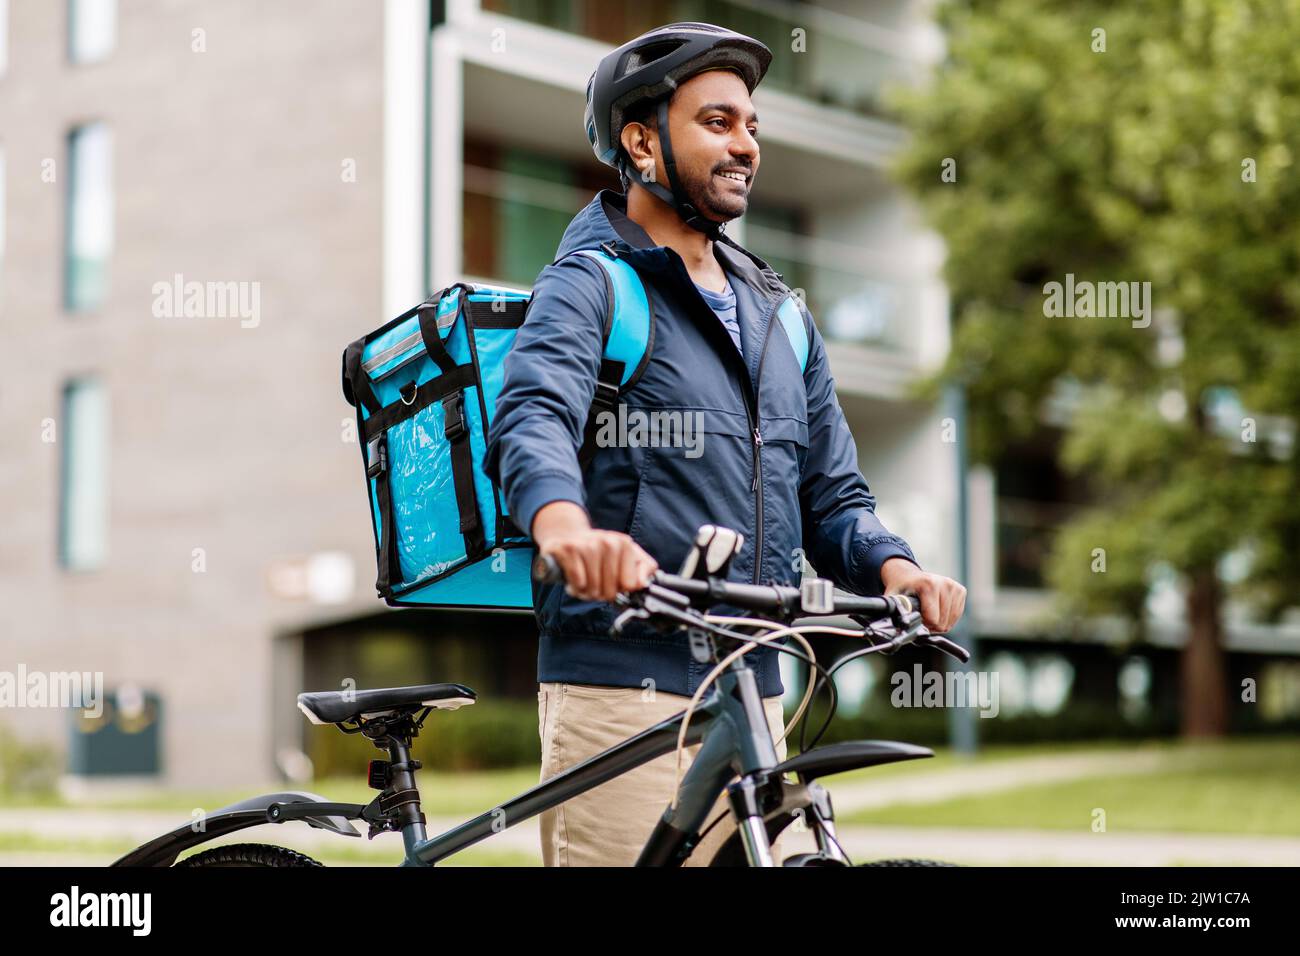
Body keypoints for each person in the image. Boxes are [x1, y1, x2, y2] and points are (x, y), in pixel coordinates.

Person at [483, 21, 967, 867]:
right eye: (717, 122)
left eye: (751, 125)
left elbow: (834, 498)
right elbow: (532, 416)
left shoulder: (784, 317)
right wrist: (565, 530)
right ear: (640, 141)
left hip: (757, 684)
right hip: (621, 681)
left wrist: (900, 571)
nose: (744, 143)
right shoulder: (594, 283)